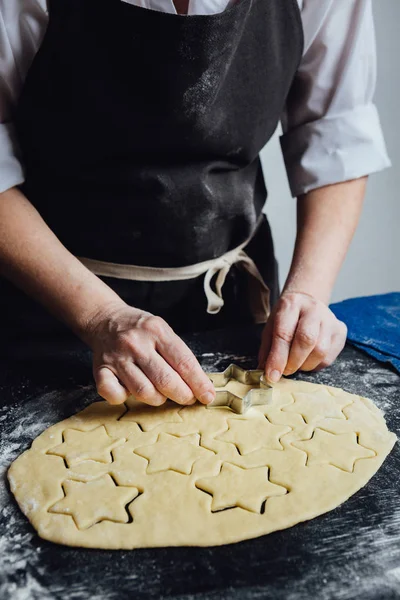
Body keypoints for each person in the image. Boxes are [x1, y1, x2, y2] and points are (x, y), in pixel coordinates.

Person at [0, 0, 390, 407]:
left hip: (235, 306)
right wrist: (99, 316)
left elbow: (334, 131)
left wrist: (309, 292)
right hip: (50, 309)